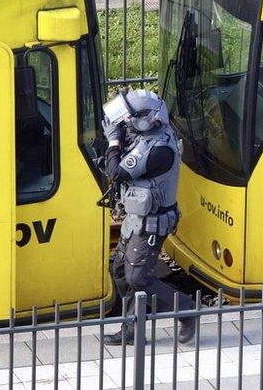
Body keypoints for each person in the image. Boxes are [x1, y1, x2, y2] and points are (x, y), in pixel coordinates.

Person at [101, 89, 196, 345]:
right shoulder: (144, 137)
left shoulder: (158, 149)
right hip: (135, 220)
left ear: (147, 118)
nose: (127, 123)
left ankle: (187, 309)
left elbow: (117, 172)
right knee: (121, 271)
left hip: (152, 222)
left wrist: (112, 142)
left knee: (138, 277)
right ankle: (131, 330)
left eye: (131, 118)